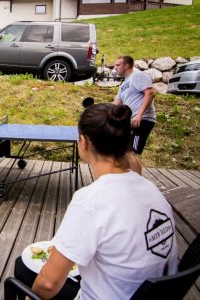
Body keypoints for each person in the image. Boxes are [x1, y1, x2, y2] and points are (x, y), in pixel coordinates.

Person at [14, 103, 177, 300]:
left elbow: (48, 284)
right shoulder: (151, 190)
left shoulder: (91, 201)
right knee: (28, 267)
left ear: (83, 142)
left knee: (22, 268)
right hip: (145, 293)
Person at [113, 55, 156, 155]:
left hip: (143, 120)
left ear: (126, 65)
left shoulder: (138, 76)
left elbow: (150, 93)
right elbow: (116, 104)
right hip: (131, 121)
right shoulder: (123, 84)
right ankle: (126, 170)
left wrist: (139, 115)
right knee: (125, 151)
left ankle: (133, 171)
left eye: (118, 65)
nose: (115, 67)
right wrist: (97, 108)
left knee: (133, 152)